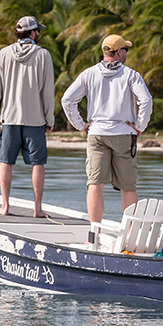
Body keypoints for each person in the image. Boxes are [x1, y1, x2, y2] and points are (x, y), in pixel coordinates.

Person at [60, 33, 153, 231]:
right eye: (125, 50)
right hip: (123, 134)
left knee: (95, 184)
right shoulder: (131, 75)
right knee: (128, 187)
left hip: (97, 134)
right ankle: (131, 234)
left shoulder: (89, 74)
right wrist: (140, 126)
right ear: (119, 52)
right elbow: (146, 101)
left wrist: (81, 125)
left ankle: (95, 232)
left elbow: (67, 100)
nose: (126, 53)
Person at [0, 16, 55, 218]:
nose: (39, 34)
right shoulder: (44, 55)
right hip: (35, 120)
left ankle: (5, 206)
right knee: (37, 163)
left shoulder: (4, 53)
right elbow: (47, 91)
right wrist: (50, 119)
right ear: (32, 33)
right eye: (37, 31)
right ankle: (37, 209)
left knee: (6, 161)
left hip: (9, 119)